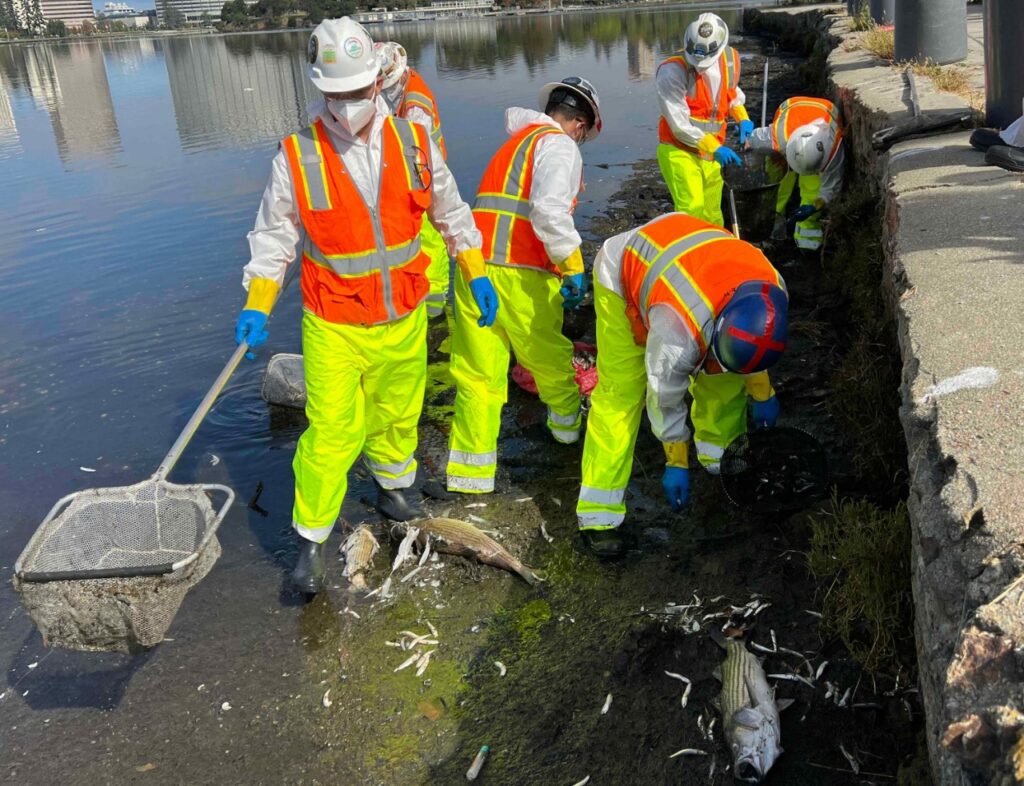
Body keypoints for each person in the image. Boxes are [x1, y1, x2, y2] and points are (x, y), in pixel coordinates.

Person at [234, 18, 498, 595]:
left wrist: (475, 269)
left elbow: (450, 212)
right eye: (338, 94)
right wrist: (259, 299)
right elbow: (275, 237)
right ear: (321, 90)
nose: (349, 103)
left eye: (358, 91)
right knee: (331, 432)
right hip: (333, 326)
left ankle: (393, 488)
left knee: (398, 414)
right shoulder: (298, 156)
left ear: (378, 82)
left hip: (402, 316)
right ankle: (311, 538)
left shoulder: (415, 141)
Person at [575, 211, 788, 558]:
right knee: (621, 393)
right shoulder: (678, 335)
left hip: (686, 252)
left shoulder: (773, 288)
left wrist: (762, 390)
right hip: (627, 269)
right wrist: (675, 460)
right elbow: (663, 396)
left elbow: (757, 338)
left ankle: (718, 454)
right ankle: (599, 514)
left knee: (723, 377)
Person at [445, 77, 601, 494]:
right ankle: (567, 433)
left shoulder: (516, 144)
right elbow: (549, 212)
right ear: (579, 124)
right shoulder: (559, 145)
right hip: (521, 274)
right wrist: (572, 265)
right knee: (548, 357)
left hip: (474, 270)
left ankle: (469, 479)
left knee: (478, 375)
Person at [376, 41, 452, 318]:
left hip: (423, 186)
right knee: (427, 248)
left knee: (430, 247)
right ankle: (431, 307)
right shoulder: (409, 89)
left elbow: (413, 152)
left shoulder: (415, 104)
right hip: (425, 181)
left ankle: (434, 313)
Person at [656, 12, 750, 226]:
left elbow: (731, 94)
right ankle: (688, 258)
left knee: (713, 214)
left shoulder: (730, 61)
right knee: (692, 210)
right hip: (679, 150)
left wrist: (742, 117)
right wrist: (713, 147)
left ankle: (714, 254)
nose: (700, 64)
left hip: (712, 153)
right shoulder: (672, 72)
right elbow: (679, 125)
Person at [747, 96, 845, 251]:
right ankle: (772, 229)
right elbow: (749, 141)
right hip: (791, 108)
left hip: (825, 110)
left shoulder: (833, 151)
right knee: (775, 184)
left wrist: (815, 206)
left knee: (813, 190)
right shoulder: (776, 139)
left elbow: (831, 188)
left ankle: (808, 240)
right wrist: (755, 170)